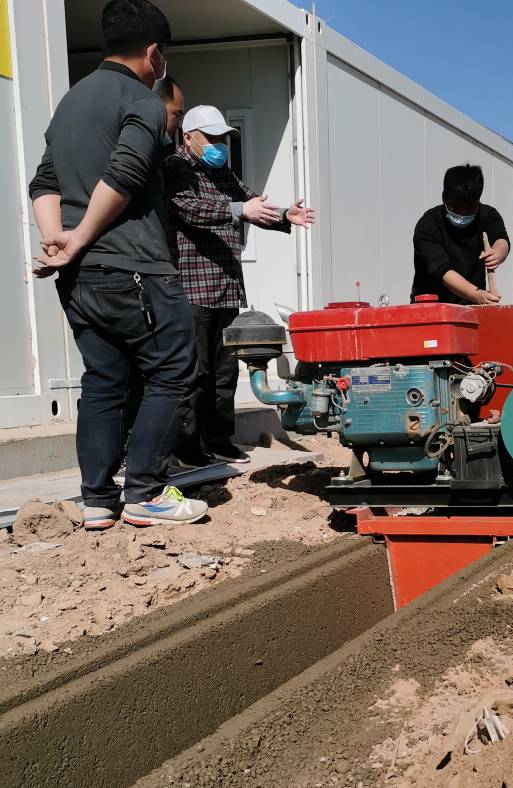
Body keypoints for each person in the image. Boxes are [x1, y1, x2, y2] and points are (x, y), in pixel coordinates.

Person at [28, 0, 206, 530]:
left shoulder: (70, 102)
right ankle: (146, 493)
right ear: (154, 52)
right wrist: (80, 237)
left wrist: (56, 241)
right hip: (134, 267)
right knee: (173, 370)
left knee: (104, 380)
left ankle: (98, 500)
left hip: (80, 277)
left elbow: (43, 182)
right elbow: (127, 173)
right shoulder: (143, 100)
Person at [163, 105, 316, 466]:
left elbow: (251, 204)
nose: (220, 145)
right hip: (193, 288)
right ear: (189, 138)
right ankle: (188, 445)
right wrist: (237, 210)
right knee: (195, 372)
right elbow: (188, 209)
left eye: (223, 138)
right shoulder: (176, 169)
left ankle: (219, 438)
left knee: (224, 370)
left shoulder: (221, 171)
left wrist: (282, 216)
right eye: (212, 138)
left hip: (226, 286)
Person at [411, 164, 509, 305]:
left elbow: (501, 239)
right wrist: (476, 294)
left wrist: (498, 253)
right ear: (444, 197)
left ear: (478, 201)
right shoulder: (428, 224)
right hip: (431, 309)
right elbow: (442, 271)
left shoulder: (488, 216)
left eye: (470, 208)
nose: (462, 214)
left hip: (472, 308)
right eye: (455, 207)